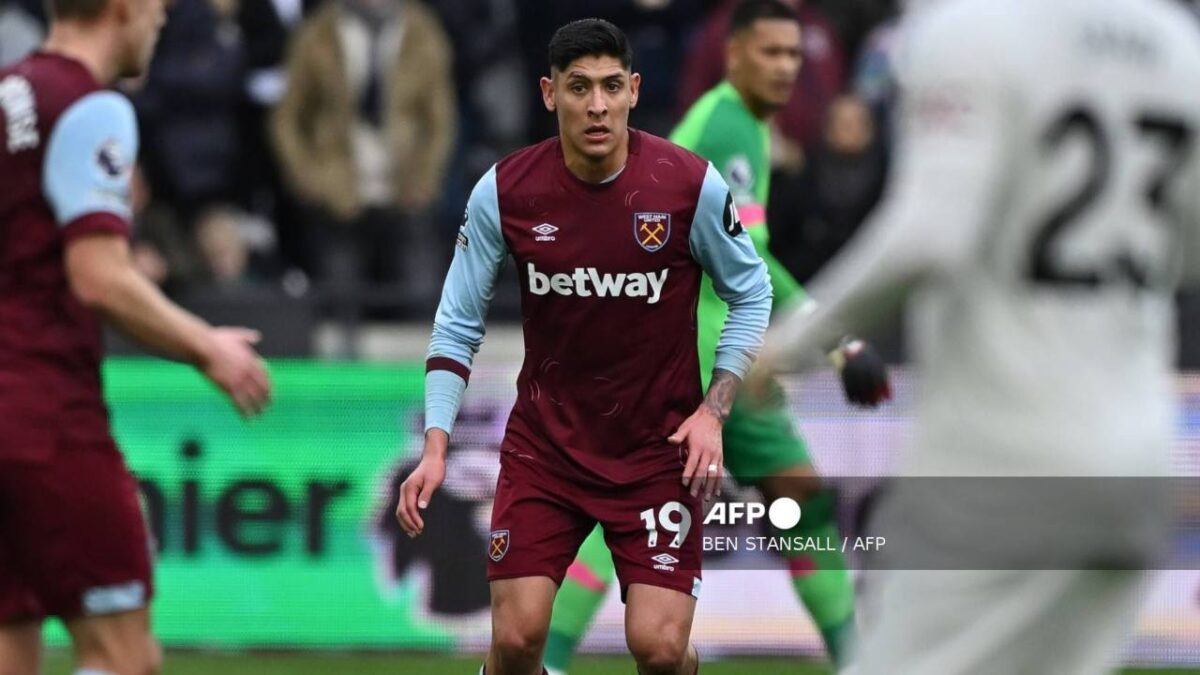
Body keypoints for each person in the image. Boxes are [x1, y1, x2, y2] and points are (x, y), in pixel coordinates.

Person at [754, 0, 1200, 672]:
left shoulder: (971, 26)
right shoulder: (1175, 42)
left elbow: (931, 235)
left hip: (1006, 453)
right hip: (1136, 458)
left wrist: (789, 346)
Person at [396, 18, 774, 675]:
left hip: (658, 452)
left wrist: (714, 410)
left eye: (608, 87)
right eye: (578, 88)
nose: (596, 105)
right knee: (515, 641)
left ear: (633, 89)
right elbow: (457, 321)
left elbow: (753, 290)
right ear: (549, 94)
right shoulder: (505, 191)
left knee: (658, 647)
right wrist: (436, 444)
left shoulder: (688, 186)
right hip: (547, 449)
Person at [542, 4, 890, 673]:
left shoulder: (738, 125)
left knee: (781, 492)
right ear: (734, 56)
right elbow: (747, 262)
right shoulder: (730, 123)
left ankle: (857, 659)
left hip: (691, 347)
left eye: (794, 54)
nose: (786, 67)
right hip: (700, 354)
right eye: (770, 53)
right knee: (684, 505)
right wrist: (838, 343)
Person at [0, 0, 272, 671]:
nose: (162, 20)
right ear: (123, 7)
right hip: (44, 411)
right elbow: (98, 276)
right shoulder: (93, 106)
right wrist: (206, 345)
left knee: (11, 639)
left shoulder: (8, 93)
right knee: (125, 654)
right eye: (158, 6)